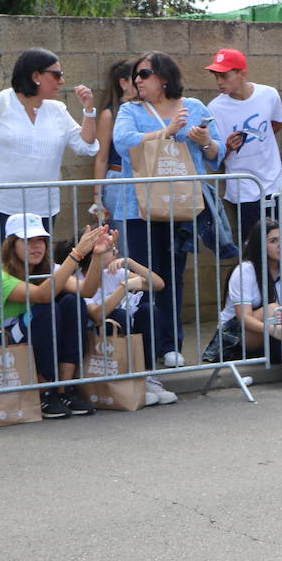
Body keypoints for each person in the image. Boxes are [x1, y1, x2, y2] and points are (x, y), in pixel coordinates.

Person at [0, 48, 99, 374]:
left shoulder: (58, 109)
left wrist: (89, 110)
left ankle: (30, 345)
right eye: (56, 74)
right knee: (0, 276)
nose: (61, 80)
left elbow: (86, 144)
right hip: (0, 207)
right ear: (35, 76)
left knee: (37, 276)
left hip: (41, 211)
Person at [111, 52, 226, 368]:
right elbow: (123, 142)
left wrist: (203, 140)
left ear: (164, 77)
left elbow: (217, 152)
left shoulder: (195, 108)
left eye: (144, 73)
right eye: (136, 74)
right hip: (139, 207)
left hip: (180, 206)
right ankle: (144, 344)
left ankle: (170, 343)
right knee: (143, 274)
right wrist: (165, 131)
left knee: (173, 274)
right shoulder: (130, 110)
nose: (137, 79)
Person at [0, 215, 108, 418]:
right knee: (46, 307)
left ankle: (64, 388)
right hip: (3, 343)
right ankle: (44, 390)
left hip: (33, 338)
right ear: (11, 245)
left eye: (40, 240)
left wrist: (97, 256)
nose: (36, 246)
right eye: (27, 241)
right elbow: (42, 295)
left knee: (72, 302)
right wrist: (76, 254)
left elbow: (87, 291)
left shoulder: (49, 269)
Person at [214, 219, 282, 391]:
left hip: (277, 333)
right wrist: (273, 329)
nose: (281, 245)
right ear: (259, 244)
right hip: (238, 337)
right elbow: (243, 318)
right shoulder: (244, 271)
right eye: (273, 241)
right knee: (274, 310)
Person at [84, 234, 176, 405]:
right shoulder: (80, 279)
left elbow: (158, 284)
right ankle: (129, 381)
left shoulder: (115, 272)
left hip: (129, 330)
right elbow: (97, 314)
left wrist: (129, 262)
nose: (116, 252)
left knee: (148, 310)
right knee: (118, 315)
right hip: (99, 336)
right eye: (111, 249)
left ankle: (147, 377)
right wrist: (124, 287)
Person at [205, 48, 282, 243]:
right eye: (216, 76)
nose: (219, 82)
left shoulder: (269, 95)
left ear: (242, 73)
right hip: (243, 189)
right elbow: (213, 156)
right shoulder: (215, 108)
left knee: (277, 243)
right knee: (253, 245)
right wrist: (228, 147)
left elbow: (276, 124)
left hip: (272, 183)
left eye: (224, 76)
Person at [91, 59, 136, 225]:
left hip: (144, 178)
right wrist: (97, 197)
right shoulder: (110, 114)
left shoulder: (147, 110)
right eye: (137, 77)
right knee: (122, 240)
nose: (141, 82)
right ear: (123, 83)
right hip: (118, 180)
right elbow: (101, 158)